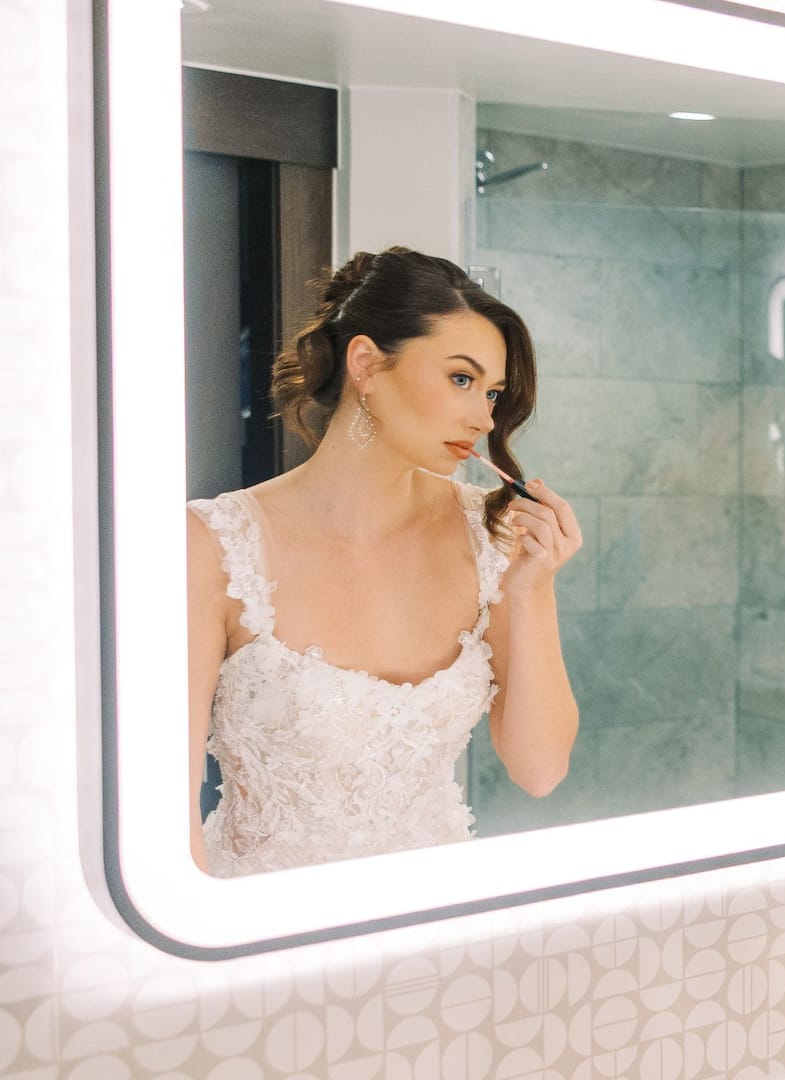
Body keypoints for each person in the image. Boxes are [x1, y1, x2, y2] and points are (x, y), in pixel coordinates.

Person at [186, 247, 581, 877]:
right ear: (366, 364)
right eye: (461, 379)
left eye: (494, 392)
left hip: (437, 927)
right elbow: (158, 814)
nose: (483, 416)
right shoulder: (214, 543)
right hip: (265, 937)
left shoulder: (495, 535)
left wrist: (532, 589)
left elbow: (540, 771)